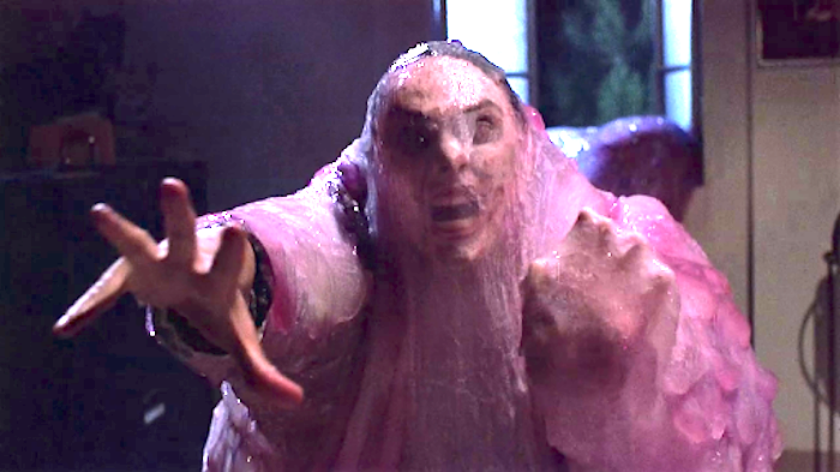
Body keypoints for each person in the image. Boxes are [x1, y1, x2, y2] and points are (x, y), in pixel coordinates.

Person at [54, 41, 779, 471]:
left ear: (523, 146)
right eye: (417, 137)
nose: (452, 159)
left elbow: (713, 433)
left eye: (480, 128)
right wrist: (234, 277)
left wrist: (625, 364)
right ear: (381, 158)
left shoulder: (613, 237)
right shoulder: (359, 213)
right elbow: (309, 244)